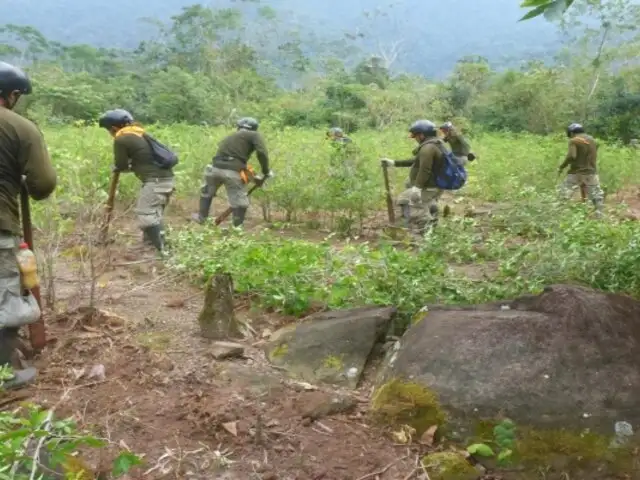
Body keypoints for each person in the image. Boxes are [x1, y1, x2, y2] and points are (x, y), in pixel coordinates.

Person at [0, 62, 57, 389]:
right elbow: (43, 184)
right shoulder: (20, 127)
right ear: (11, 94)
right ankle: (3, 374)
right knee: (4, 300)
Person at [98, 109, 175, 254]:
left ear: (114, 128)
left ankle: (165, 252)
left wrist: (118, 167)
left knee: (146, 214)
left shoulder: (121, 139)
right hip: (166, 180)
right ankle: (150, 245)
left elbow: (121, 165)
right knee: (155, 214)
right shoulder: (140, 133)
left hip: (156, 181)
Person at [192, 117, 272, 227]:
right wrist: (265, 171)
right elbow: (262, 152)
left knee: (207, 192)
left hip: (213, 169)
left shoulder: (230, 137)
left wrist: (253, 177)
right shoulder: (254, 135)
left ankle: (202, 217)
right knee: (240, 202)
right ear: (254, 128)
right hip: (232, 171)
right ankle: (237, 229)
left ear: (239, 127)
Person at [381, 120, 445, 233]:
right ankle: (433, 220)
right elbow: (416, 162)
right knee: (425, 201)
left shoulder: (428, 148)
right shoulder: (435, 144)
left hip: (429, 186)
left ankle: (425, 232)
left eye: (416, 136)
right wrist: (394, 162)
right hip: (435, 185)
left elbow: (424, 169)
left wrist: (417, 188)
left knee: (405, 199)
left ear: (422, 135)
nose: (415, 139)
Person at [558, 123, 604, 216]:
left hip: (576, 173)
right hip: (591, 172)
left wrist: (562, 166)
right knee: (596, 197)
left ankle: (560, 215)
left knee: (563, 194)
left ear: (571, 133)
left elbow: (572, 155)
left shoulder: (574, 141)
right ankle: (599, 216)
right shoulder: (593, 141)